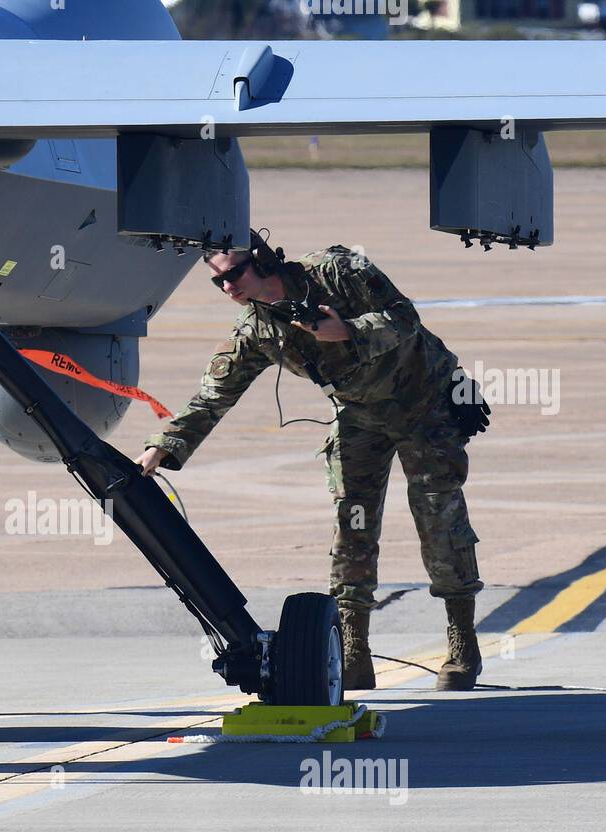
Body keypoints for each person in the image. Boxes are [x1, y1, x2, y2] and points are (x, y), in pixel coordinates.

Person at [136, 231, 490, 691]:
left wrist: (348, 330)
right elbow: (213, 396)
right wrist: (162, 448)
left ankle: (462, 640)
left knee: (439, 518)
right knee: (353, 527)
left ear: (262, 260)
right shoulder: (257, 329)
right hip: (359, 416)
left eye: (234, 274)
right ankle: (354, 649)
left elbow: (405, 319)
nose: (228, 287)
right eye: (217, 282)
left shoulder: (339, 271)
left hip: (426, 405)